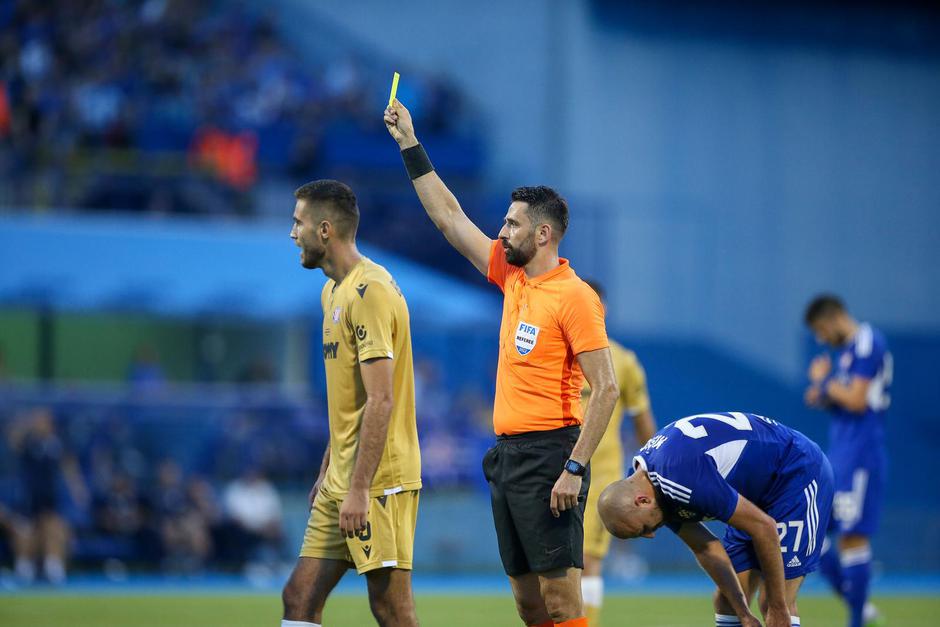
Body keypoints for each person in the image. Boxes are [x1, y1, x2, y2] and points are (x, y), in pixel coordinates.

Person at [385, 102, 619, 627]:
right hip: (507, 456)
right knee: (528, 603)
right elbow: (449, 218)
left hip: (551, 454)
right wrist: (409, 144)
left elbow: (606, 389)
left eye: (512, 223)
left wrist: (574, 468)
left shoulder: (575, 296)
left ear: (543, 234)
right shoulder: (512, 275)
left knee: (562, 602)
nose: (502, 229)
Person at [282, 180, 421, 627]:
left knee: (391, 608)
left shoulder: (371, 291)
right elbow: (351, 400)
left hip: (378, 480)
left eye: (298, 222)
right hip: (342, 476)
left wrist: (359, 487)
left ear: (324, 230)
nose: (293, 233)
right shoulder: (332, 293)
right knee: (299, 597)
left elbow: (381, 399)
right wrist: (329, 465)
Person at [599, 411, 833, 627]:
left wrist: (779, 608)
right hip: (756, 494)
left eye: (643, 529)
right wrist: (743, 613)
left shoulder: (677, 478)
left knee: (773, 604)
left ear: (642, 501)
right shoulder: (646, 486)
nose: (651, 534)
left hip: (795, 472)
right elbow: (705, 548)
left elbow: (764, 528)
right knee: (728, 603)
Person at [803, 295, 891, 627]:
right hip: (842, 453)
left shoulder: (868, 342)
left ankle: (857, 618)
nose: (821, 338)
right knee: (813, 529)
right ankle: (860, 609)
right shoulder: (848, 352)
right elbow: (846, 397)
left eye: (821, 329)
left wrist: (825, 381)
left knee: (852, 536)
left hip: (861, 454)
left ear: (834, 318)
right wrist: (824, 394)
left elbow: (856, 399)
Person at [580, 280, 658, 626]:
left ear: (604, 310)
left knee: (587, 559)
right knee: (550, 564)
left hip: (601, 476)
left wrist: (653, 473)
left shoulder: (623, 362)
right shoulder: (556, 354)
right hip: (550, 470)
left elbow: (643, 422)